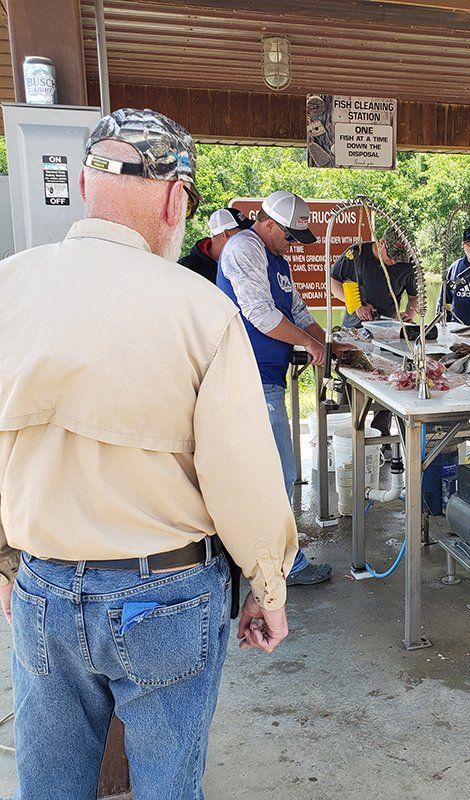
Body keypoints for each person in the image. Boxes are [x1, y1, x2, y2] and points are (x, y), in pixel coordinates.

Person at [0, 108, 298, 799]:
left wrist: (7, 559)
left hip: (41, 588)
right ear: (173, 197)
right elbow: (244, 477)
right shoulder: (198, 310)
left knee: (47, 788)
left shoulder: (8, 287)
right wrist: (268, 586)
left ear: (83, 181)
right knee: (168, 786)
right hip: (164, 594)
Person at [217, 190, 355, 586]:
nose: (293, 245)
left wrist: (324, 341)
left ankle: (261, 556)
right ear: (269, 224)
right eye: (290, 237)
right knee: (278, 473)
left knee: (272, 471)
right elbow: (260, 314)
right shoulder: (245, 248)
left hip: (268, 376)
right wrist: (309, 344)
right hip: (248, 376)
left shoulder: (276, 259)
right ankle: (281, 566)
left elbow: (296, 310)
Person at [330, 227, 418, 437]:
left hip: (387, 333)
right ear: (380, 243)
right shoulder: (356, 255)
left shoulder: (406, 264)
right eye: (391, 257)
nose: (394, 263)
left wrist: (408, 314)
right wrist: (355, 305)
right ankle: (348, 432)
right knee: (350, 382)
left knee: (390, 383)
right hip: (355, 330)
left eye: (399, 259)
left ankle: (383, 436)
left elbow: (414, 298)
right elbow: (333, 283)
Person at [179, 206, 254, 282]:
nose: (249, 236)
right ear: (227, 234)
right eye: (244, 233)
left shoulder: (243, 262)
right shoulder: (188, 268)